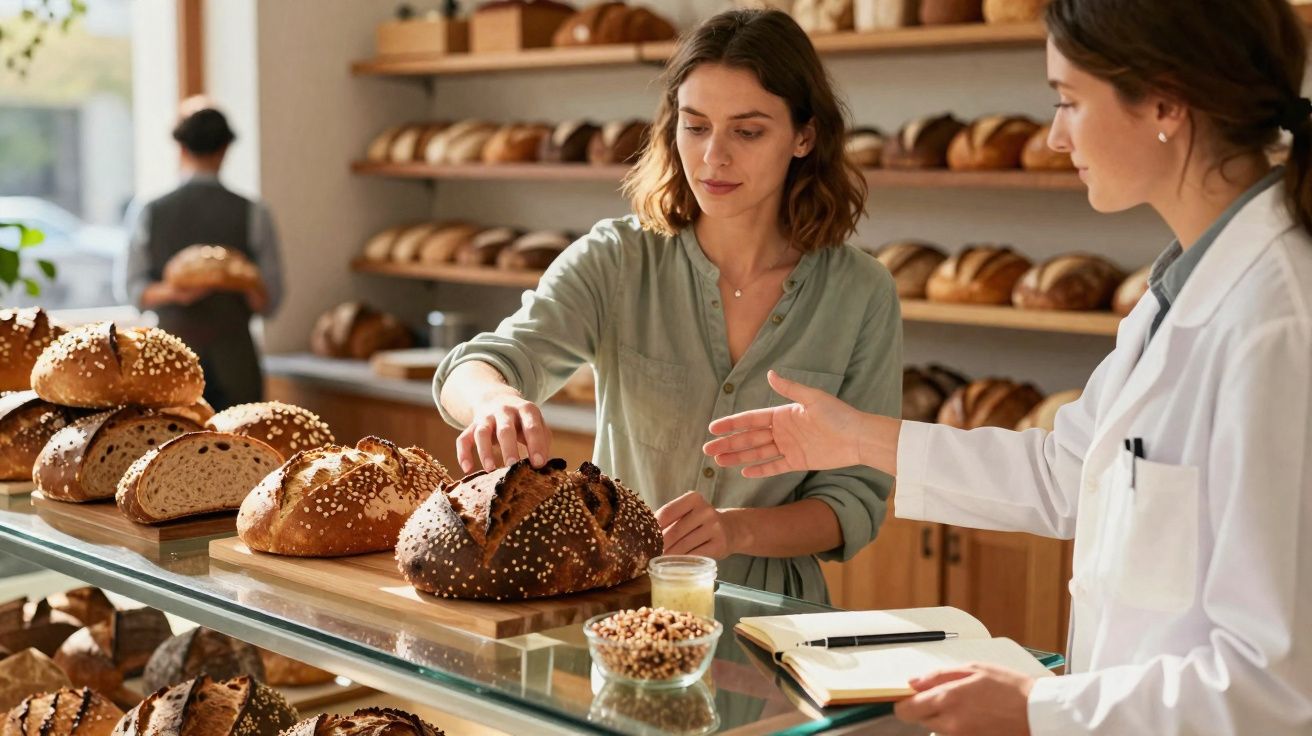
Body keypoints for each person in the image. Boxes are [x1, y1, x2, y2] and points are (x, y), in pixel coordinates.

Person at [705, 0, 1312, 732]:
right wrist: (856, 440)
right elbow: (1067, 473)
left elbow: (1276, 686)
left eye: (1069, 101)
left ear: (1164, 100)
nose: (1056, 135)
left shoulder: (1278, 326)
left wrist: (1040, 709)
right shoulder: (1179, 294)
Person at [432, 9, 901, 603]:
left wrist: (737, 528)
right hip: (623, 603)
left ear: (804, 136)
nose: (713, 157)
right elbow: (474, 366)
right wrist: (494, 399)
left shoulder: (862, 294)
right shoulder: (616, 259)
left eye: (748, 131)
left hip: (776, 621)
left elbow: (853, 503)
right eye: (696, 126)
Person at [122, 98, 284, 410]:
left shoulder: (148, 211)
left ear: (180, 149)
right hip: (237, 361)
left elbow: (132, 290)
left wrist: (171, 292)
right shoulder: (254, 212)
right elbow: (270, 301)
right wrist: (243, 283)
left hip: (169, 362)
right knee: (241, 451)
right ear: (225, 149)